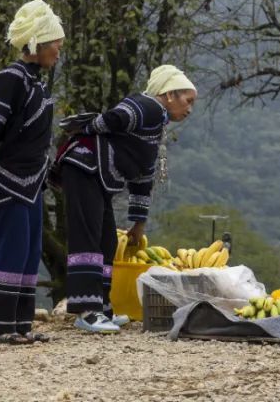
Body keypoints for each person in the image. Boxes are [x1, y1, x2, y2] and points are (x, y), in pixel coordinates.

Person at [55, 64, 197, 334]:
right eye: (187, 101)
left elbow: (143, 178)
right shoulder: (149, 107)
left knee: (107, 239)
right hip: (84, 168)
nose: (189, 109)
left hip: (96, 176)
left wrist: (138, 223)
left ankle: (102, 307)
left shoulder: (156, 126)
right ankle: (86, 311)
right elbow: (120, 114)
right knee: (88, 236)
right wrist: (88, 127)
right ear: (169, 95)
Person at [0, 0, 64, 345]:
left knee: (27, 250)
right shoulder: (13, 77)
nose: (58, 49)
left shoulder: (35, 81)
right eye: (55, 42)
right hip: (11, 180)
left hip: (32, 181)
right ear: (37, 44)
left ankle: (19, 324)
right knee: (11, 248)